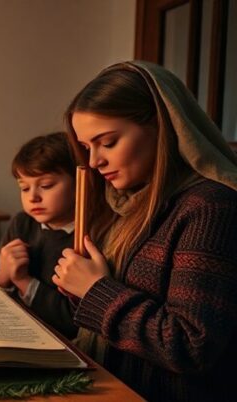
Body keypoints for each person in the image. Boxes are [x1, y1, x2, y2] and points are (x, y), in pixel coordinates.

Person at [52, 61, 237, 401]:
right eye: (87, 146)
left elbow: (191, 345)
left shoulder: (211, 207)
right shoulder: (127, 203)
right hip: (113, 387)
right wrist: (77, 285)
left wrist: (96, 290)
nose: (94, 161)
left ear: (162, 127)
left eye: (107, 142)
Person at [0, 132, 79, 338]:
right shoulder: (23, 223)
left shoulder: (86, 237)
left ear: (79, 183)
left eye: (46, 186)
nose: (33, 197)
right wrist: (3, 277)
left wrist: (23, 281)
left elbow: (74, 319)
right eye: (24, 188)